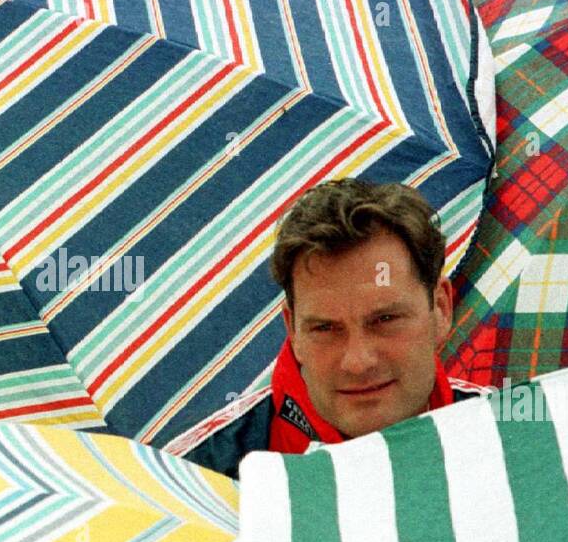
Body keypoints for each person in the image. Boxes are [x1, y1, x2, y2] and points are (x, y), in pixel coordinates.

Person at [174, 179, 490, 478]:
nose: (358, 361)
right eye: (325, 328)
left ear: (441, 309)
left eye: (385, 320)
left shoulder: (519, 444)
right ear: (292, 330)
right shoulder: (198, 480)